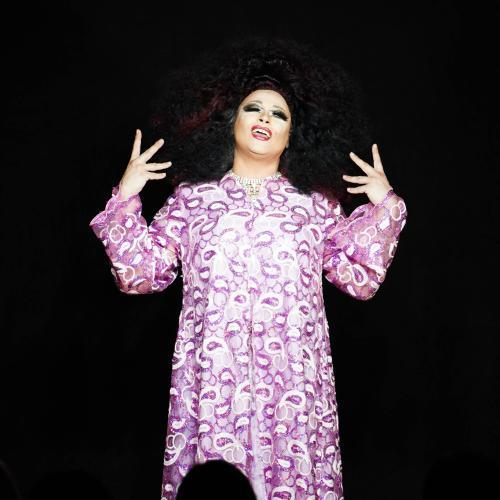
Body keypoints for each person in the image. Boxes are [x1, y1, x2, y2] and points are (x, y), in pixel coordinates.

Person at [89, 35, 408, 500]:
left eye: (279, 114)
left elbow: (359, 277)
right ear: (231, 120)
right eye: (253, 108)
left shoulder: (315, 204)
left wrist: (384, 207)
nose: (264, 118)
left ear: (293, 133)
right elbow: (141, 273)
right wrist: (125, 196)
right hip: (215, 381)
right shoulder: (193, 198)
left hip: (293, 382)